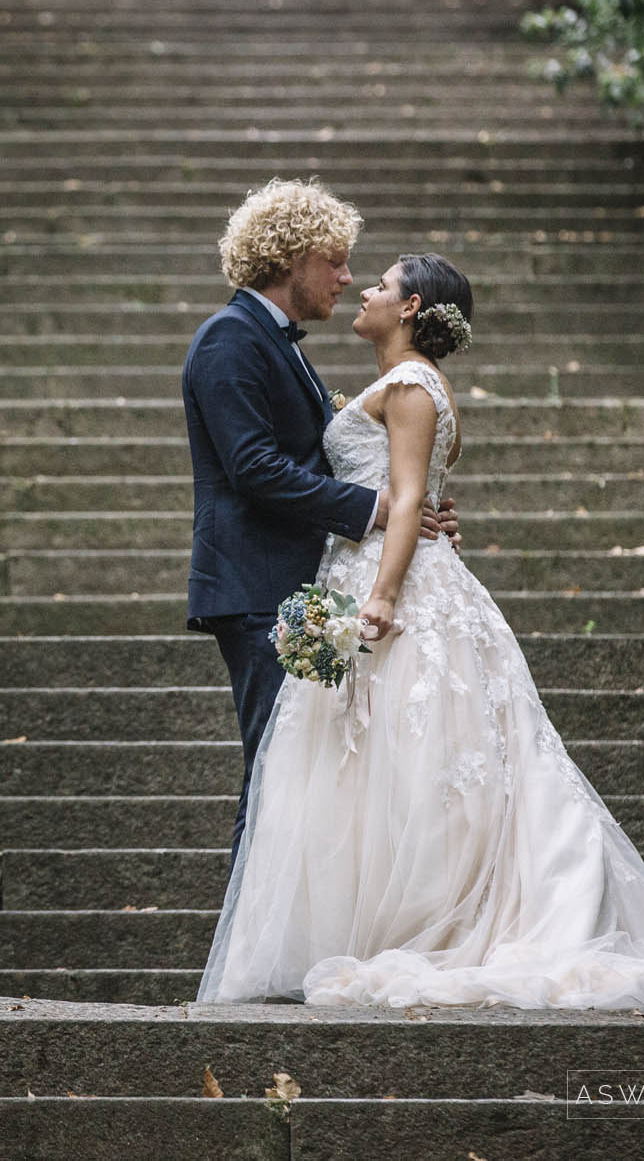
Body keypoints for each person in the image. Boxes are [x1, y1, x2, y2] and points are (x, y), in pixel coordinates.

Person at [195, 251, 644, 1024]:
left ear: (412, 304)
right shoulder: (386, 379)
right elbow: (396, 492)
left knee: (414, 760)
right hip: (356, 568)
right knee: (377, 763)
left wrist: (385, 595)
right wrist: (386, 530)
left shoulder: (414, 384)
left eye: (381, 284)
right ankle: (366, 923)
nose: (363, 287)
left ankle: (436, 920)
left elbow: (412, 494)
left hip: (391, 590)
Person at [182, 180, 459, 866]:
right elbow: (253, 467)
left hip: (298, 586)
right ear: (290, 258)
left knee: (301, 776)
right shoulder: (229, 340)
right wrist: (379, 508)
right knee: (276, 769)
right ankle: (243, 952)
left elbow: (325, 460)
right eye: (334, 261)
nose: (346, 276)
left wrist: (408, 508)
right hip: (255, 590)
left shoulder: (278, 345)